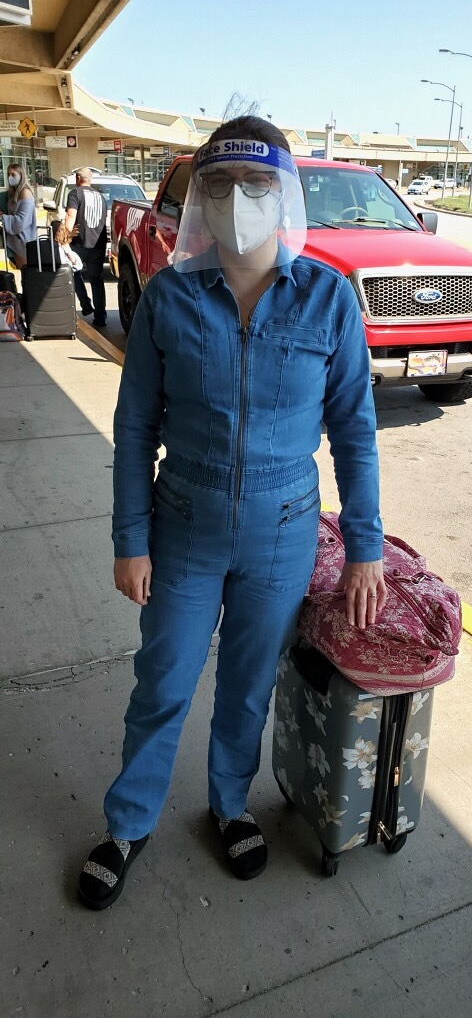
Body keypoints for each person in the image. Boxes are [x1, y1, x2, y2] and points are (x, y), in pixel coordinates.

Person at [78, 115, 387, 911]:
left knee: (248, 687)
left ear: (282, 194)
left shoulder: (325, 298)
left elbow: (353, 430)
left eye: (256, 185)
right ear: (199, 200)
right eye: (219, 185)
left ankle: (227, 804)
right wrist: (129, 538)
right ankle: (128, 821)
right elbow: (134, 428)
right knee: (163, 679)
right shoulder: (171, 300)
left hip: (282, 532)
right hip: (182, 523)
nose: (237, 200)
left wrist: (364, 548)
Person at [64, 166, 107, 327]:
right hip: (98, 244)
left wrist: (66, 236)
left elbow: (70, 215)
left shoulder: (75, 193)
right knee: (97, 280)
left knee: (73, 272)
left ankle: (86, 304)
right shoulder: (100, 196)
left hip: (79, 243)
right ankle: (100, 316)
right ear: (90, 180)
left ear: (77, 179)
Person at [0, 163, 37, 269]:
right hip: (16, 240)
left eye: (13, 174)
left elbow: (22, 220)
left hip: (23, 241)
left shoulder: (25, 192)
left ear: (21, 175)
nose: (10, 177)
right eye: (8, 174)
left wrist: (4, 218)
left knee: (27, 274)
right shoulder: (13, 193)